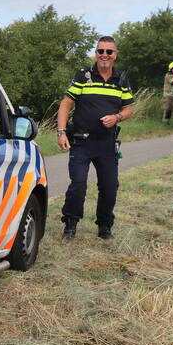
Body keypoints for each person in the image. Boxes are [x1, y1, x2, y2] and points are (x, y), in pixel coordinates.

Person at [56, 36, 135, 240]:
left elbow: (128, 108)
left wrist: (117, 117)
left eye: (109, 51)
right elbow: (66, 104)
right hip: (81, 142)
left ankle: (104, 226)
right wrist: (61, 132)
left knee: (109, 186)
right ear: (96, 53)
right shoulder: (84, 76)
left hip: (107, 144)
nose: (104, 55)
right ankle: (70, 224)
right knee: (78, 184)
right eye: (101, 51)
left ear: (115, 55)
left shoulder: (121, 79)